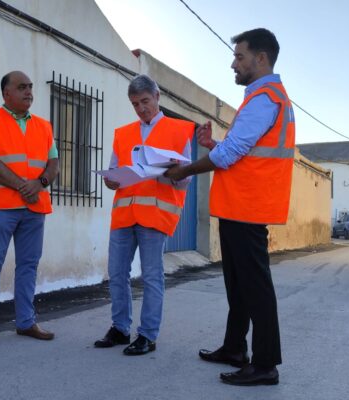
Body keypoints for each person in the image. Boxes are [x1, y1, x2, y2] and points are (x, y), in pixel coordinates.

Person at [164, 28, 295, 385]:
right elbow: (241, 148)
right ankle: (235, 347)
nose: (233, 64)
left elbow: (231, 154)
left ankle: (266, 364)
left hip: (249, 207)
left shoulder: (266, 97)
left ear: (261, 58)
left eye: (239, 57)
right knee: (238, 286)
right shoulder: (262, 99)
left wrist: (188, 168)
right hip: (241, 205)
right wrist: (214, 143)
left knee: (255, 287)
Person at [93, 75, 195, 356]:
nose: (141, 108)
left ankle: (148, 335)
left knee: (151, 276)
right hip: (124, 213)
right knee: (116, 274)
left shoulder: (179, 130)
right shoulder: (123, 133)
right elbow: (114, 171)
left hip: (155, 214)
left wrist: (174, 172)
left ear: (157, 96)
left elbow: (185, 179)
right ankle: (120, 328)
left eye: (145, 101)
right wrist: (110, 180)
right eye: (135, 104)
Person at [0, 71, 60, 347]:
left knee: (28, 266)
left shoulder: (44, 126)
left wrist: (41, 182)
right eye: (22, 87)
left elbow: (53, 163)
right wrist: (26, 186)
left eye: (31, 87)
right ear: (6, 93)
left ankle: (26, 322)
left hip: (35, 208)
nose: (29, 92)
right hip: (2, 207)